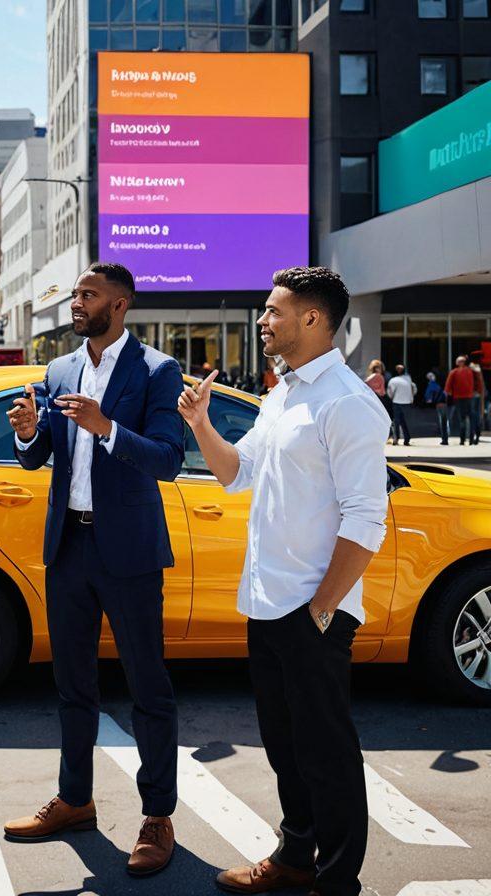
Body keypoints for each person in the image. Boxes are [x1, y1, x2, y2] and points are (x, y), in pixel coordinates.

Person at [178, 267, 388, 896]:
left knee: (327, 754)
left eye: (274, 310)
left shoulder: (349, 403)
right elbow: (236, 474)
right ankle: (296, 856)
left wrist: (322, 610)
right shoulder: (282, 394)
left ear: (313, 319)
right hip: (266, 604)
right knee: (284, 747)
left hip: (311, 611)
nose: (264, 320)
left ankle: (336, 880)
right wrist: (201, 424)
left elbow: (367, 519)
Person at [3, 262, 184, 877]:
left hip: (129, 553)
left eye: (88, 294)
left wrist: (107, 428)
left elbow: (167, 459)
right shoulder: (61, 369)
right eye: (76, 294)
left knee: (148, 689)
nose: (76, 302)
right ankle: (75, 800)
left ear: (120, 304)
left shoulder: (157, 371)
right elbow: (42, 457)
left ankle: (158, 816)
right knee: (72, 687)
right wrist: (31, 435)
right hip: (69, 550)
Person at [444, 355, 477, 446]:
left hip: (458, 398)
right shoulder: (470, 371)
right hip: (469, 397)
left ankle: (462, 440)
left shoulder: (454, 372)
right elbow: (476, 381)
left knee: (462, 419)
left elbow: (447, 387)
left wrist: (448, 395)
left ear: (457, 363)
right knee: (471, 418)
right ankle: (471, 439)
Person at [386, 364, 416, 446]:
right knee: (404, 421)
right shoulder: (408, 378)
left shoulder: (393, 380)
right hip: (406, 402)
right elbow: (413, 388)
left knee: (397, 421)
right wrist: (411, 397)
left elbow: (390, 391)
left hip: (397, 402)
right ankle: (406, 439)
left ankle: (396, 439)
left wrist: (391, 397)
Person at [424, 371, 448, 445]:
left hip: (440, 404)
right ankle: (445, 438)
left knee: (443, 422)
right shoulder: (443, 383)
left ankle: (444, 439)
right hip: (446, 403)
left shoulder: (433, 384)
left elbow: (428, 395)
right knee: (445, 421)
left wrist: (429, 400)